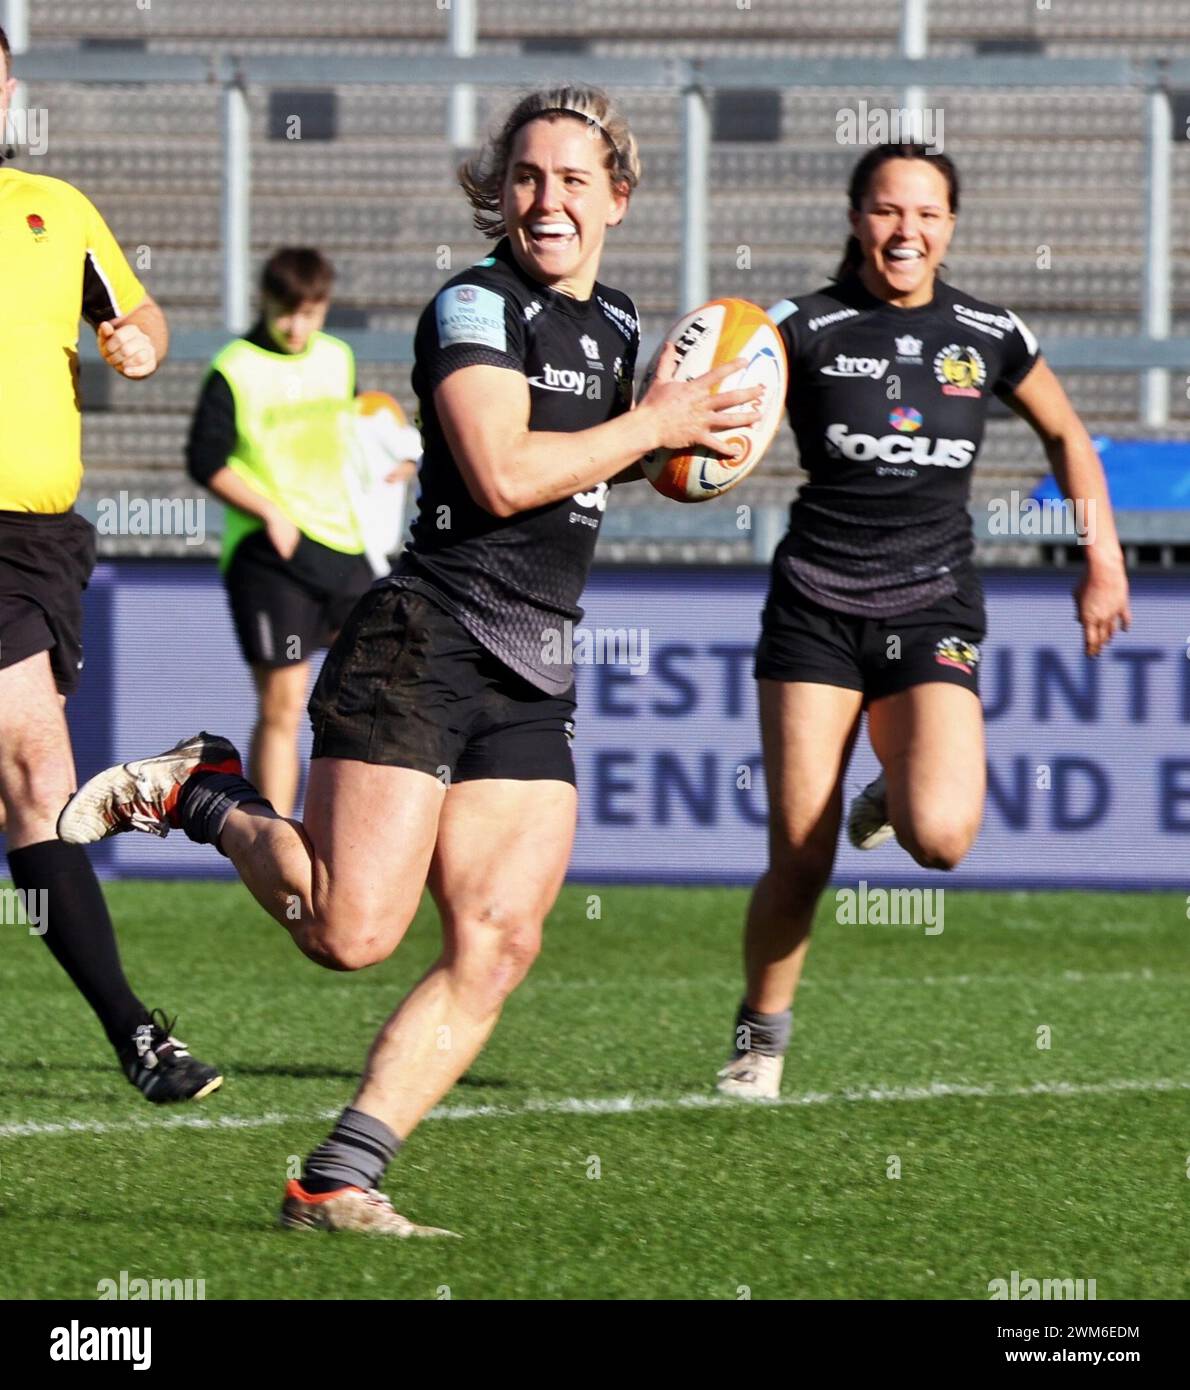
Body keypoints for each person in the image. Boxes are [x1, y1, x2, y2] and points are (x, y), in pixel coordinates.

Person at [60, 85, 761, 1233]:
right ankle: (204, 791)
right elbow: (496, 472)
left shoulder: (621, 325)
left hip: (534, 666)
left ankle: (336, 1177)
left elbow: (596, 462)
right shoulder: (473, 306)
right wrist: (655, 425)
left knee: (500, 939)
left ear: (617, 200)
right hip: (423, 640)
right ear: (498, 190)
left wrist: (701, 441)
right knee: (350, 933)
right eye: (527, 176)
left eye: (574, 181)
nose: (547, 200)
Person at [716, 143, 1131, 1100]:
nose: (907, 231)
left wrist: (1100, 554)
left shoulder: (987, 329)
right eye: (888, 211)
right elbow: (710, 413)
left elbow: (1068, 433)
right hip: (816, 606)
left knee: (941, 839)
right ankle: (759, 1041)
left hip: (931, 605)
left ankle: (898, 791)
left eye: (927, 214)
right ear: (858, 217)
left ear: (951, 225)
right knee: (802, 850)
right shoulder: (799, 326)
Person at [0, 25, 221, 1102]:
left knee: (30, 785)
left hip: (34, 539)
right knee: (37, 773)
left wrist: (140, 334)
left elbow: (135, 311)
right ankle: (136, 1034)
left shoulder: (54, 210)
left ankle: (134, 1034)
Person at [186, 248, 415, 818]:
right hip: (270, 557)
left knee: (372, 691)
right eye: (287, 311)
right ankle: (273, 834)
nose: (297, 326)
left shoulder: (337, 358)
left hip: (344, 549)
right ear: (265, 301)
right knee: (283, 705)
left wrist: (396, 463)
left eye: (310, 312)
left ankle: (357, 828)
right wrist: (270, 513)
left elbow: (358, 435)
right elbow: (204, 460)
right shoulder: (234, 367)